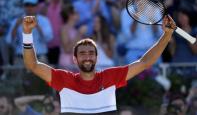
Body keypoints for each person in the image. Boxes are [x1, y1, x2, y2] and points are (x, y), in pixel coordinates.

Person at [22, 15, 176, 114]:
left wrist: (166, 35)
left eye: (91, 53)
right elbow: (33, 65)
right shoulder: (64, 79)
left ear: (96, 58)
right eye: (82, 53)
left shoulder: (110, 76)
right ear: (74, 59)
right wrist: (27, 34)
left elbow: (145, 62)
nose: (87, 57)